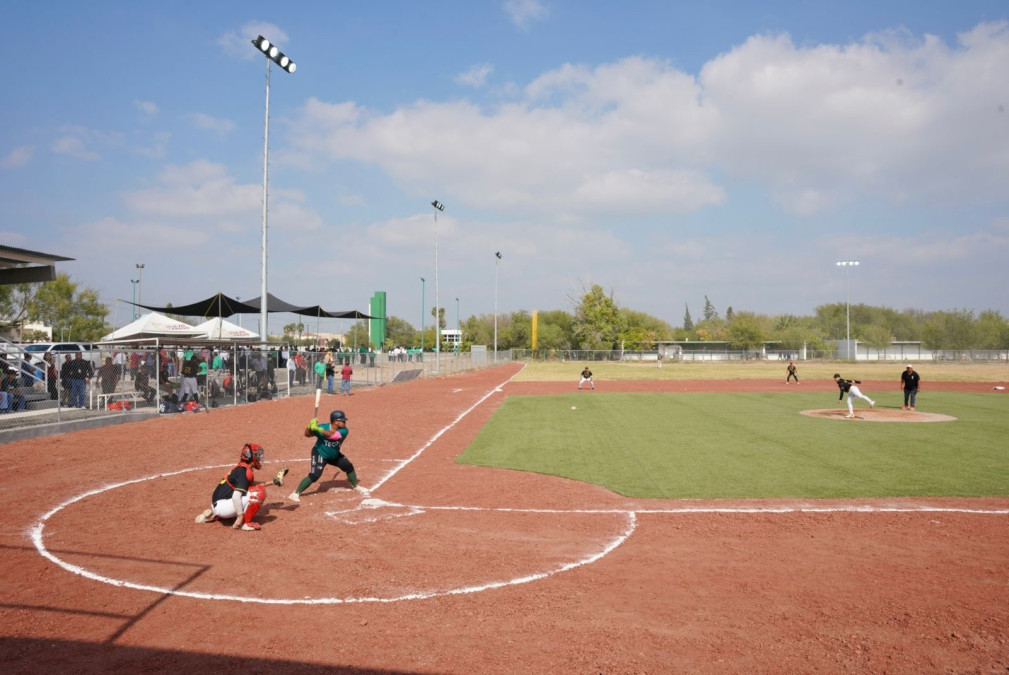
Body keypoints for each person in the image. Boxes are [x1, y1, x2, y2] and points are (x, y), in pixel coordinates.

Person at [287, 410, 367, 502]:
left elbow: (334, 436)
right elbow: (307, 434)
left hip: (334, 454)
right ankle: (295, 493)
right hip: (320, 453)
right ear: (336, 422)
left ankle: (355, 486)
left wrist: (318, 429)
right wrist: (309, 427)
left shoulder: (344, 430)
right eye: (342, 420)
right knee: (315, 475)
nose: (345, 422)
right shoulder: (322, 426)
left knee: (348, 466)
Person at [194, 443, 269, 531]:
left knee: (250, 491)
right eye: (258, 456)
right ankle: (246, 523)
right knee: (259, 492)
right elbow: (236, 496)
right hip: (223, 507)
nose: (260, 459)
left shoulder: (241, 468)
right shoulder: (245, 472)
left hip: (218, 504)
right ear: (252, 457)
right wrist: (240, 517)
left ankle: (214, 515)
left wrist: (272, 482)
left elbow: (250, 485)